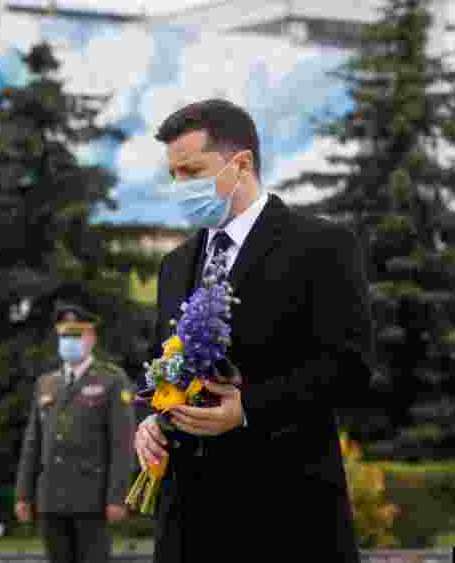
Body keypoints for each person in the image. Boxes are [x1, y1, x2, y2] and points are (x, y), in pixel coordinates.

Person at [133, 99, 376, 563]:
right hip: (185, 527)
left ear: (240, 164)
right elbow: (155, 365)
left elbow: (351, 369)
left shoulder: (321, 246)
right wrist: (146, 419)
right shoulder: (174, 264)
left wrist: (248, 409)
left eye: (191, 172)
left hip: (284, 521)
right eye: (173, 176)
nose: (180, 187)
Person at [14, 298, 137, 563]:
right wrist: (24, 494)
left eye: (75, 334)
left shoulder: (112, 380)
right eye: (63, 336)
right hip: (51, 498)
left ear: (91, 336)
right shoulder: (47, 383)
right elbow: (32, 443)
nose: (68, 341)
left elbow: (122, 443)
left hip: (92, 499)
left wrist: (118, 497)